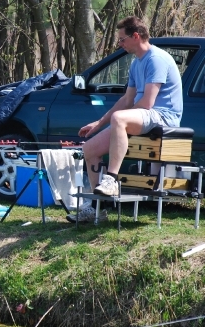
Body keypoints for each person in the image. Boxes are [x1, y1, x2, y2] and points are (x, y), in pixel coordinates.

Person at [69, 16, 183, 223]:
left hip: (163, 117)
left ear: (136, 36)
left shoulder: (156, 59)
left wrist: (118, 120)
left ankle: (111, 179)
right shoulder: (135, 64)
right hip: (144, 116)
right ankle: (97, 209)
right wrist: (99, 123)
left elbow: (147, 103)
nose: (119, 44)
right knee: (89, 150)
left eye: (122, 39)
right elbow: (127, 100)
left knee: (120, 119)